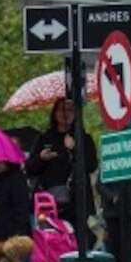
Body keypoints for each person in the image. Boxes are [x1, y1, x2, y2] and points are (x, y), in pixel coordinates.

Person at [25, 97, 97, 242]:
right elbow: (30, 169)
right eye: (61, 109)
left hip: (77, 201)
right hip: (49, 203)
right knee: (51, 242)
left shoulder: (84, 139)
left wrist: (75, 149)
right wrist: (41, 159)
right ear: (55, 113)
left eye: (70, 110)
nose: (66, 114)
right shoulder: (44, 138)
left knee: (79, 241)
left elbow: (91, 165)